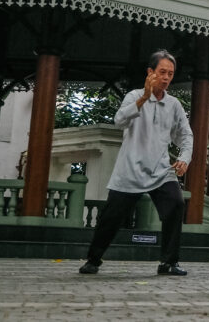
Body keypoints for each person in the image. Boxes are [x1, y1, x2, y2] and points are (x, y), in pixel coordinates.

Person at [79, 50, 194, 276]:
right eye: (162, 72)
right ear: (150, 72)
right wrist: (144, 98)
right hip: (130, 169)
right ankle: (93, 259)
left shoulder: (174, 105)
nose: (166, 78)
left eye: (170, 74)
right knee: (111, 217)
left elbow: (186, 135)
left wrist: (184, 158)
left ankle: (168, 262)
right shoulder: (134, 96)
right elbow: (119, 120)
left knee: (176, 203)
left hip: (161, 170)